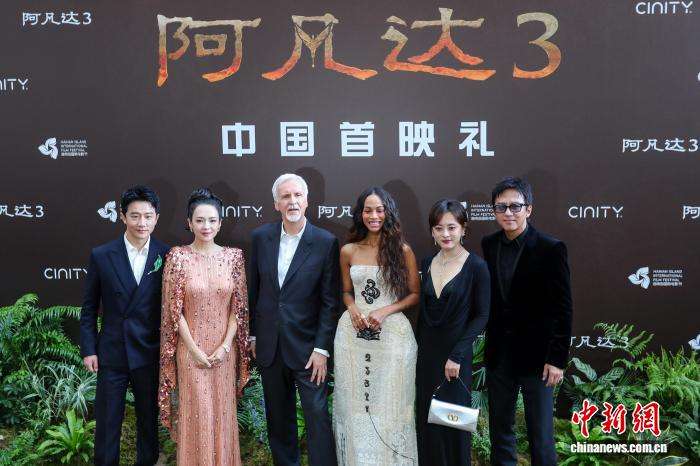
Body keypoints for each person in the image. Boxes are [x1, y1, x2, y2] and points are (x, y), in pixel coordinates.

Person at [248, 174, 339, 466]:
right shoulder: (260, 238)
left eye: (298, 195)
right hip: (270, 347)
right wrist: (253, 334)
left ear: (307, 200)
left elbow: (330, 301)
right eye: (285, 197)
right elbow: (254, 291)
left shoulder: (325, 242)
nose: (292, 202)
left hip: (309, 350)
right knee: (279, 419)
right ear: (276, 203)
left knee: (316, 416)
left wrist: (322, 348)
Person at [481, 177, 573, 466]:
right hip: (499, 356)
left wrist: (557, 359)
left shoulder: (551, 248)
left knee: (540, 434)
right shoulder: (489, 244)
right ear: (494, 211)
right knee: (500, 431)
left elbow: (563, 308)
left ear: (529, 209)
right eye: (501, 207)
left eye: (515, 206)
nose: (508, 212)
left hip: (538, 358)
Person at [158, 188, 250, 466]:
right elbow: (174, 310)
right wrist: (194, 350)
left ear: (220, 223)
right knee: (196, 413)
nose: (206, 226)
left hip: (224, 353)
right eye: (199, 220)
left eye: (211, 220)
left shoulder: (234, 257)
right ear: (189, 223)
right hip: (190, 353)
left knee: (222, 413)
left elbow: (239, 308)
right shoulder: (177, 257)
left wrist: (225, 346)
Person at [80, 185, 170, 466]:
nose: (142, 223)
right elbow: (89, 307)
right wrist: (89, 349)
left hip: (149, 351)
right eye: (135, 216)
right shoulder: (102, 255)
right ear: (122, 216)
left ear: (156, 218)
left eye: (148, 216)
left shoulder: (168, 255)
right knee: (107, 421)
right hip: (112, 352)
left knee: (148, 421)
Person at [333, 187, 420, 466]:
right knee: (355, 405)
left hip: (392, 337)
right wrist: (352, 308)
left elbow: (414, 295)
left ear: (388, 213)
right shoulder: (348, 251)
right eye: (368, 210)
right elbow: (346, 292)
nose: (374, 216)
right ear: (360, 214)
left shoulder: (402, 251)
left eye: (380, 210)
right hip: (353, 336)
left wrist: (385, 310)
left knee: (391, 404)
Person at [415, 199, 490, 466]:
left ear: (463, 229)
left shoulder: (476, 266)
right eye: (439, 228)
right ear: (432, 232)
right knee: (428, 421)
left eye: (451, 227)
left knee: (453, 422)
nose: (445, 234)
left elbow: (482, 316)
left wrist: (457, 355)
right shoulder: (427, 262)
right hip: (427, 356)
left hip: (456, 357)